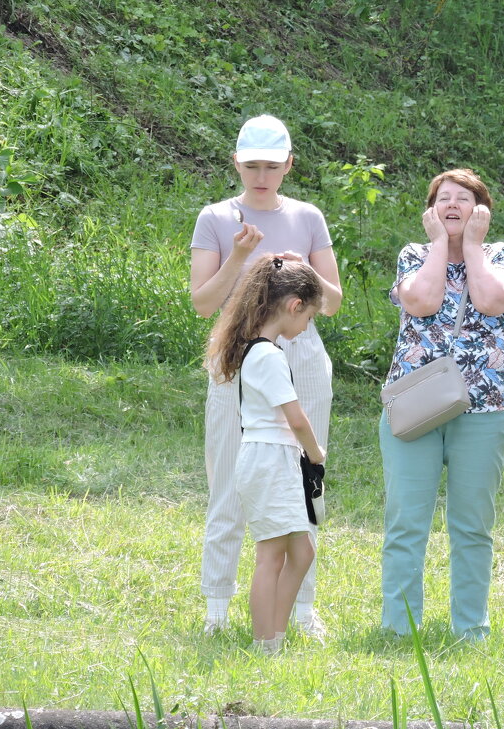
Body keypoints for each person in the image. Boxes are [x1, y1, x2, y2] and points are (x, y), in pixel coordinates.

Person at [190, 114, 342, 637]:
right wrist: (239, 256)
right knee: (230, 477)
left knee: (305, 478)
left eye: (272, 166)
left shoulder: (308, 216)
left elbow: (334, 302)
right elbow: (202, 302)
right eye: (252, 165)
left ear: (289, 165)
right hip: (239, 351)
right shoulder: (215, 216)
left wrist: (307, 268)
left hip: (302, 348)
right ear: (236, 162)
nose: (261, 175)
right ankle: (216, 606)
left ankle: (301, 609)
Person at [379, 168, 504, 640]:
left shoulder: (499, 255)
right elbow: (421, 301)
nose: (453, 205)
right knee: (406, 523)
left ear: (481, 211)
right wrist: (441, 245)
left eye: (464, 198)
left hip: (484, 409)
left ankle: (471, 628)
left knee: (472, 526)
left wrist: (474, 248)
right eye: (443, 199)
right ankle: (400, 629)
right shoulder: (413, 256)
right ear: (431, 211)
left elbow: (492, 300)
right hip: (414, 407)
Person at [204, 256, 327, 654]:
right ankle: (265, 643)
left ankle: (275, 634)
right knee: (272, 555)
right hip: (270, 458)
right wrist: (316, 452)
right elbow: (296, 418)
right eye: (309, 317)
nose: (307, 326)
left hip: (274, 459)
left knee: (301, 550)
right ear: (294, 306)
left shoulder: (262, 351)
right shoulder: (268, 356)